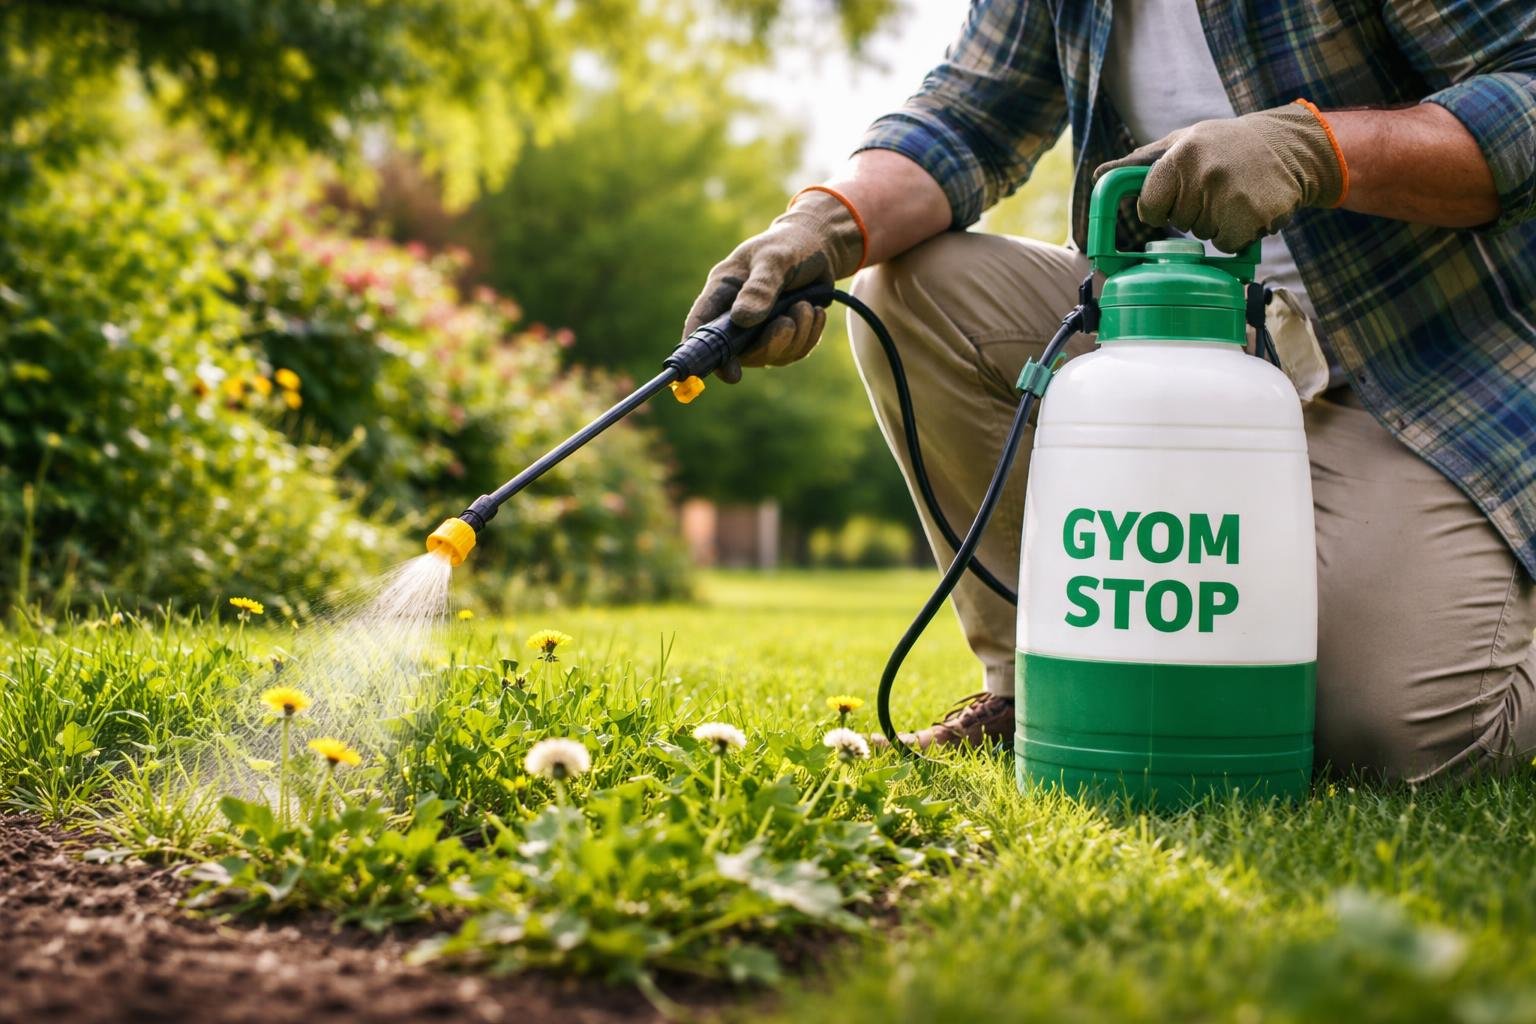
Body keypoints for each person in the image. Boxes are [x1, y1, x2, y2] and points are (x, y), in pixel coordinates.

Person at [684, 0, 1536, 783]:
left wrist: (1317, 150)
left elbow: (1528, 89)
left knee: (1402, 737)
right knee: (911, 285)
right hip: (1161, 329)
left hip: (1413, 363)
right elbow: (965, 116)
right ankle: (1041, 685)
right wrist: (822, 227)